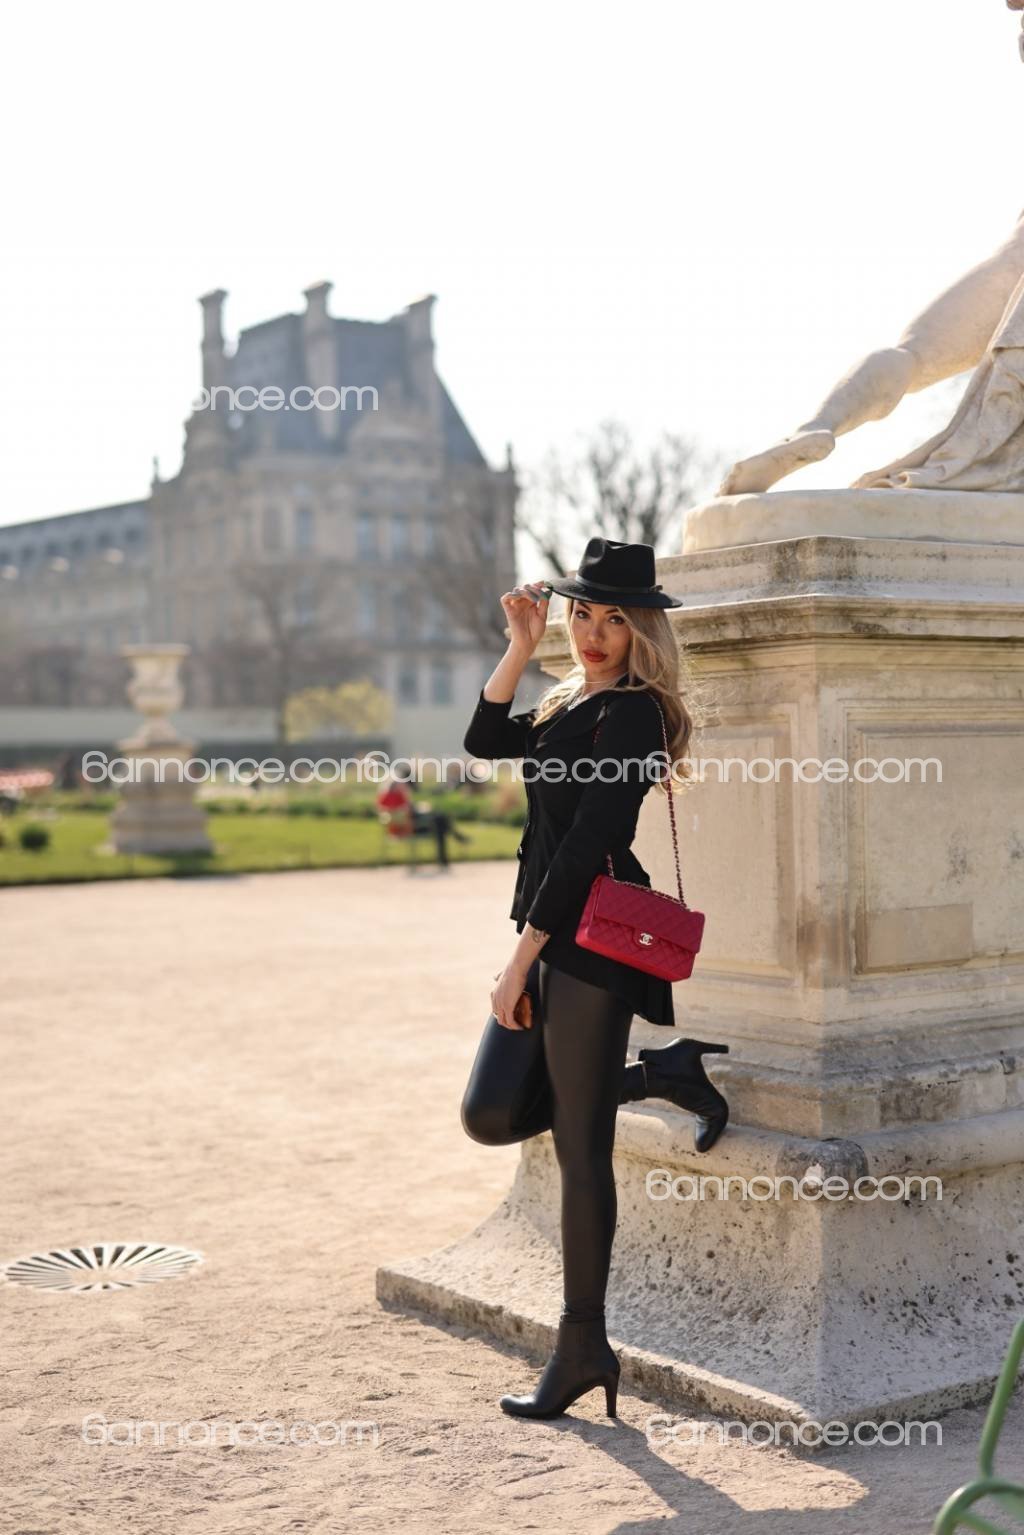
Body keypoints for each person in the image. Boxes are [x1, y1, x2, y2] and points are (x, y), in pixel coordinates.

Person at [460, 537, 730, 1421]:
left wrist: (520, 959)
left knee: (581, 1149)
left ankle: (582, 1343)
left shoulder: (638, 716)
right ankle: (663, 1072)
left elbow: (583, 849)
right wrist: (519, 643)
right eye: (583, 613)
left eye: (615, 618)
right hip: (549, 931)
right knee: (491, 1112)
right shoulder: (568, 701)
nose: (594, 632)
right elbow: (483, 739)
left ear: (642, 628)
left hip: (592, 941)